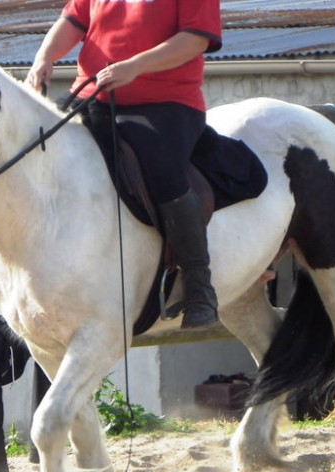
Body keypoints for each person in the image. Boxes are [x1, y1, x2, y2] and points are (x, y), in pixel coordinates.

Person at [26, 0, 223, 329]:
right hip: (92, 94)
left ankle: (199, 285)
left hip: (166, 102)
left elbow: (195, 39)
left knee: (164, 174)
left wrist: (135, 66)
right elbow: (74, 20)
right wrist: (44, 56)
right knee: (37, 152)